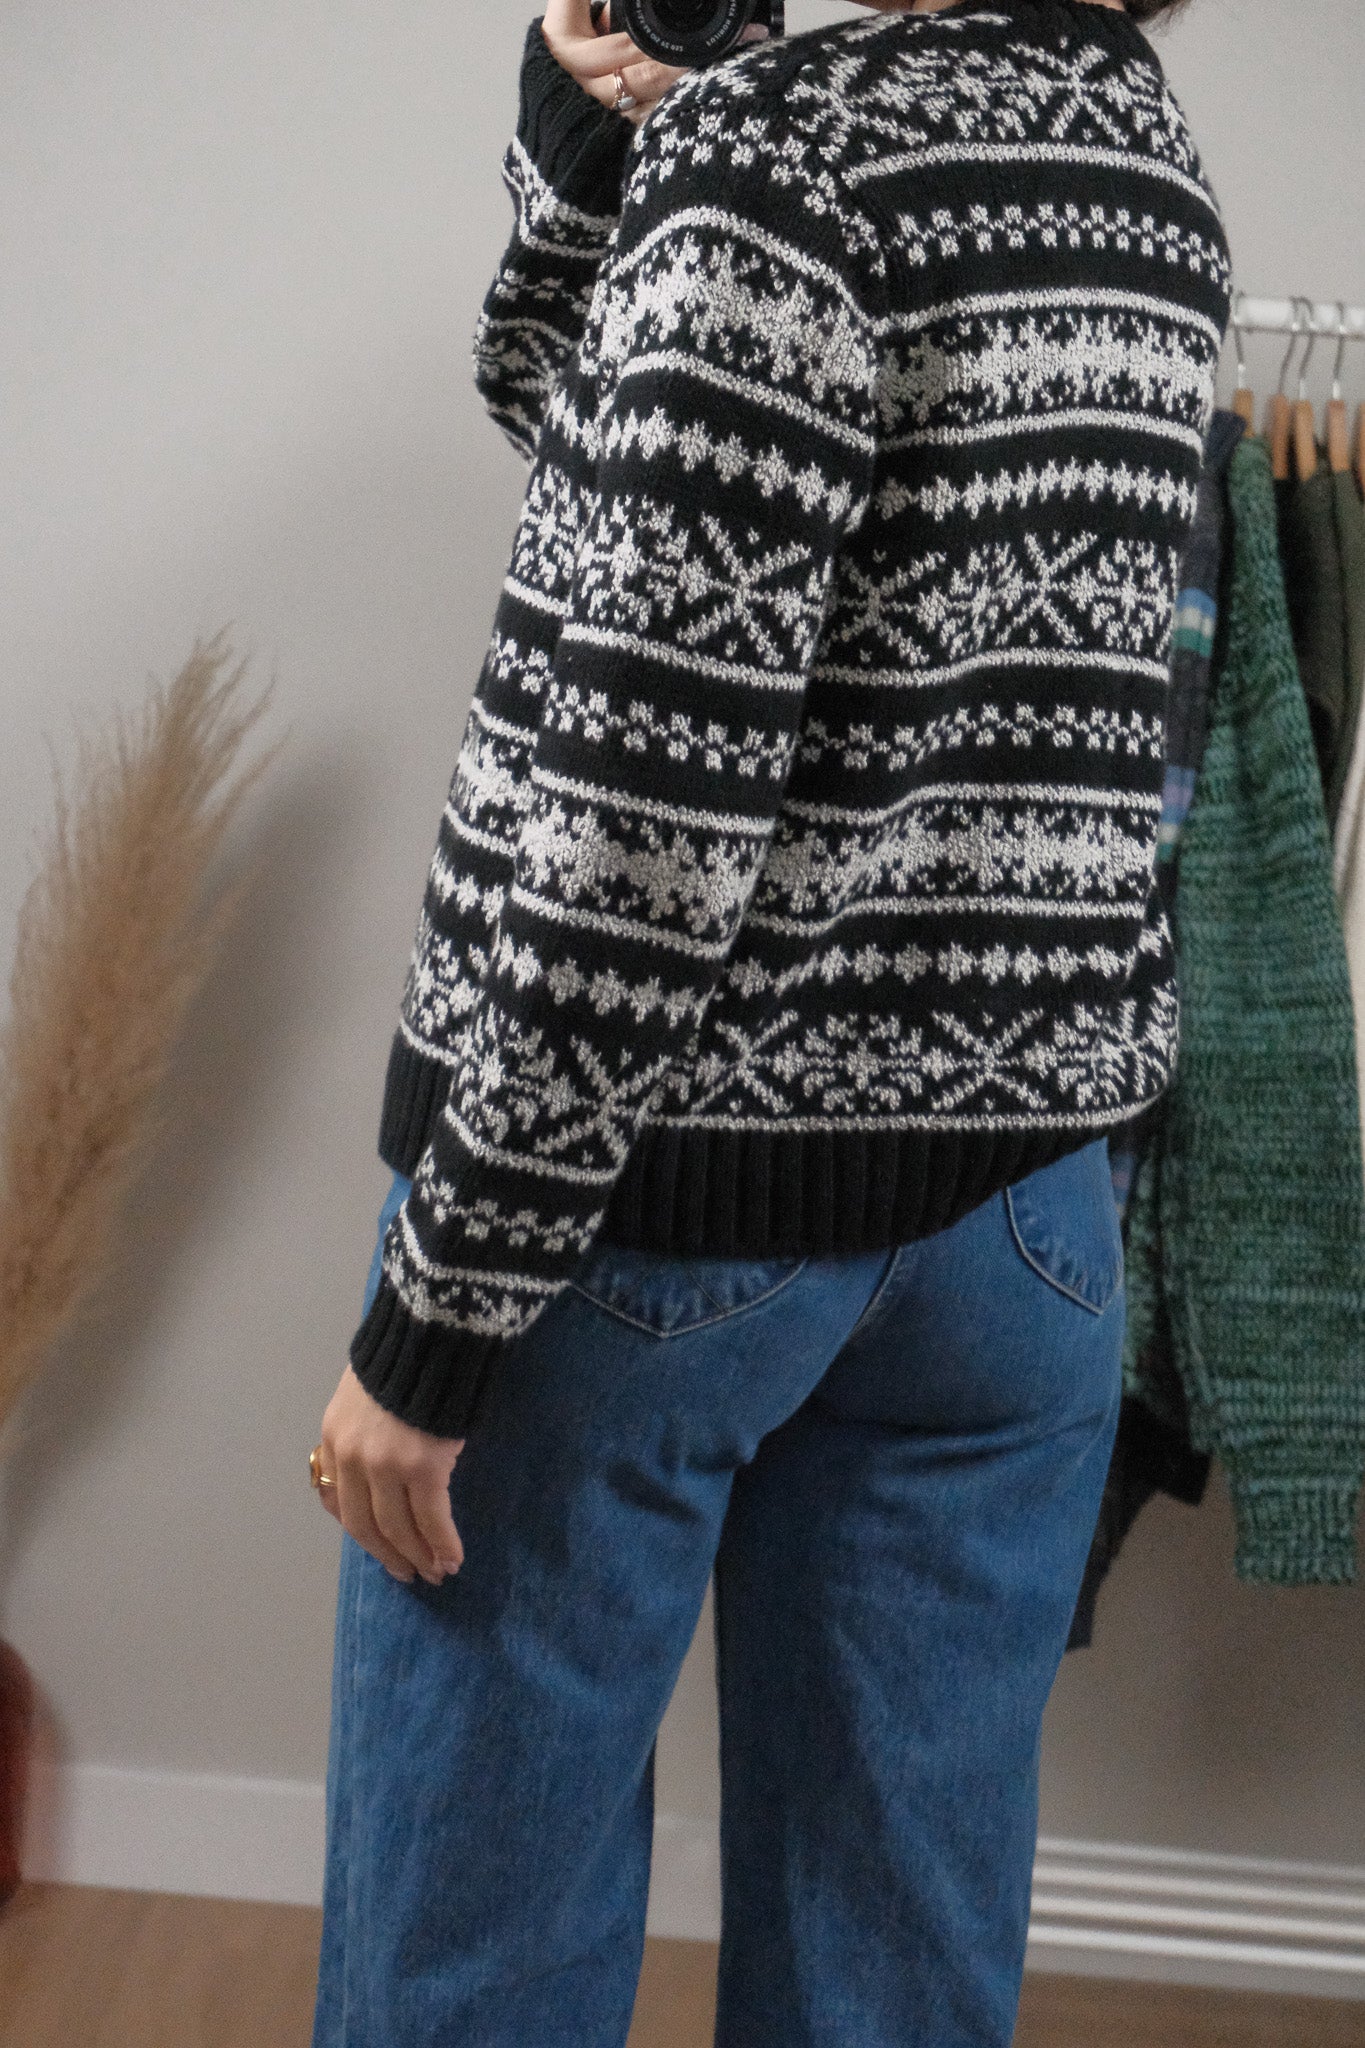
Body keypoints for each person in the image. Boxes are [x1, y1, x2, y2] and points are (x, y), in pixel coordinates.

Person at [310, 2, 1225, 2042]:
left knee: (471, 1958)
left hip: (651, 1214)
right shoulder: (1136, 154)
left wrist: (442, 1313)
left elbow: (640, 814)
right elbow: (612, 450)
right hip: (1017, 1220)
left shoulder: (786, 161)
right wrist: (598, 149)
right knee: (894, 1965)